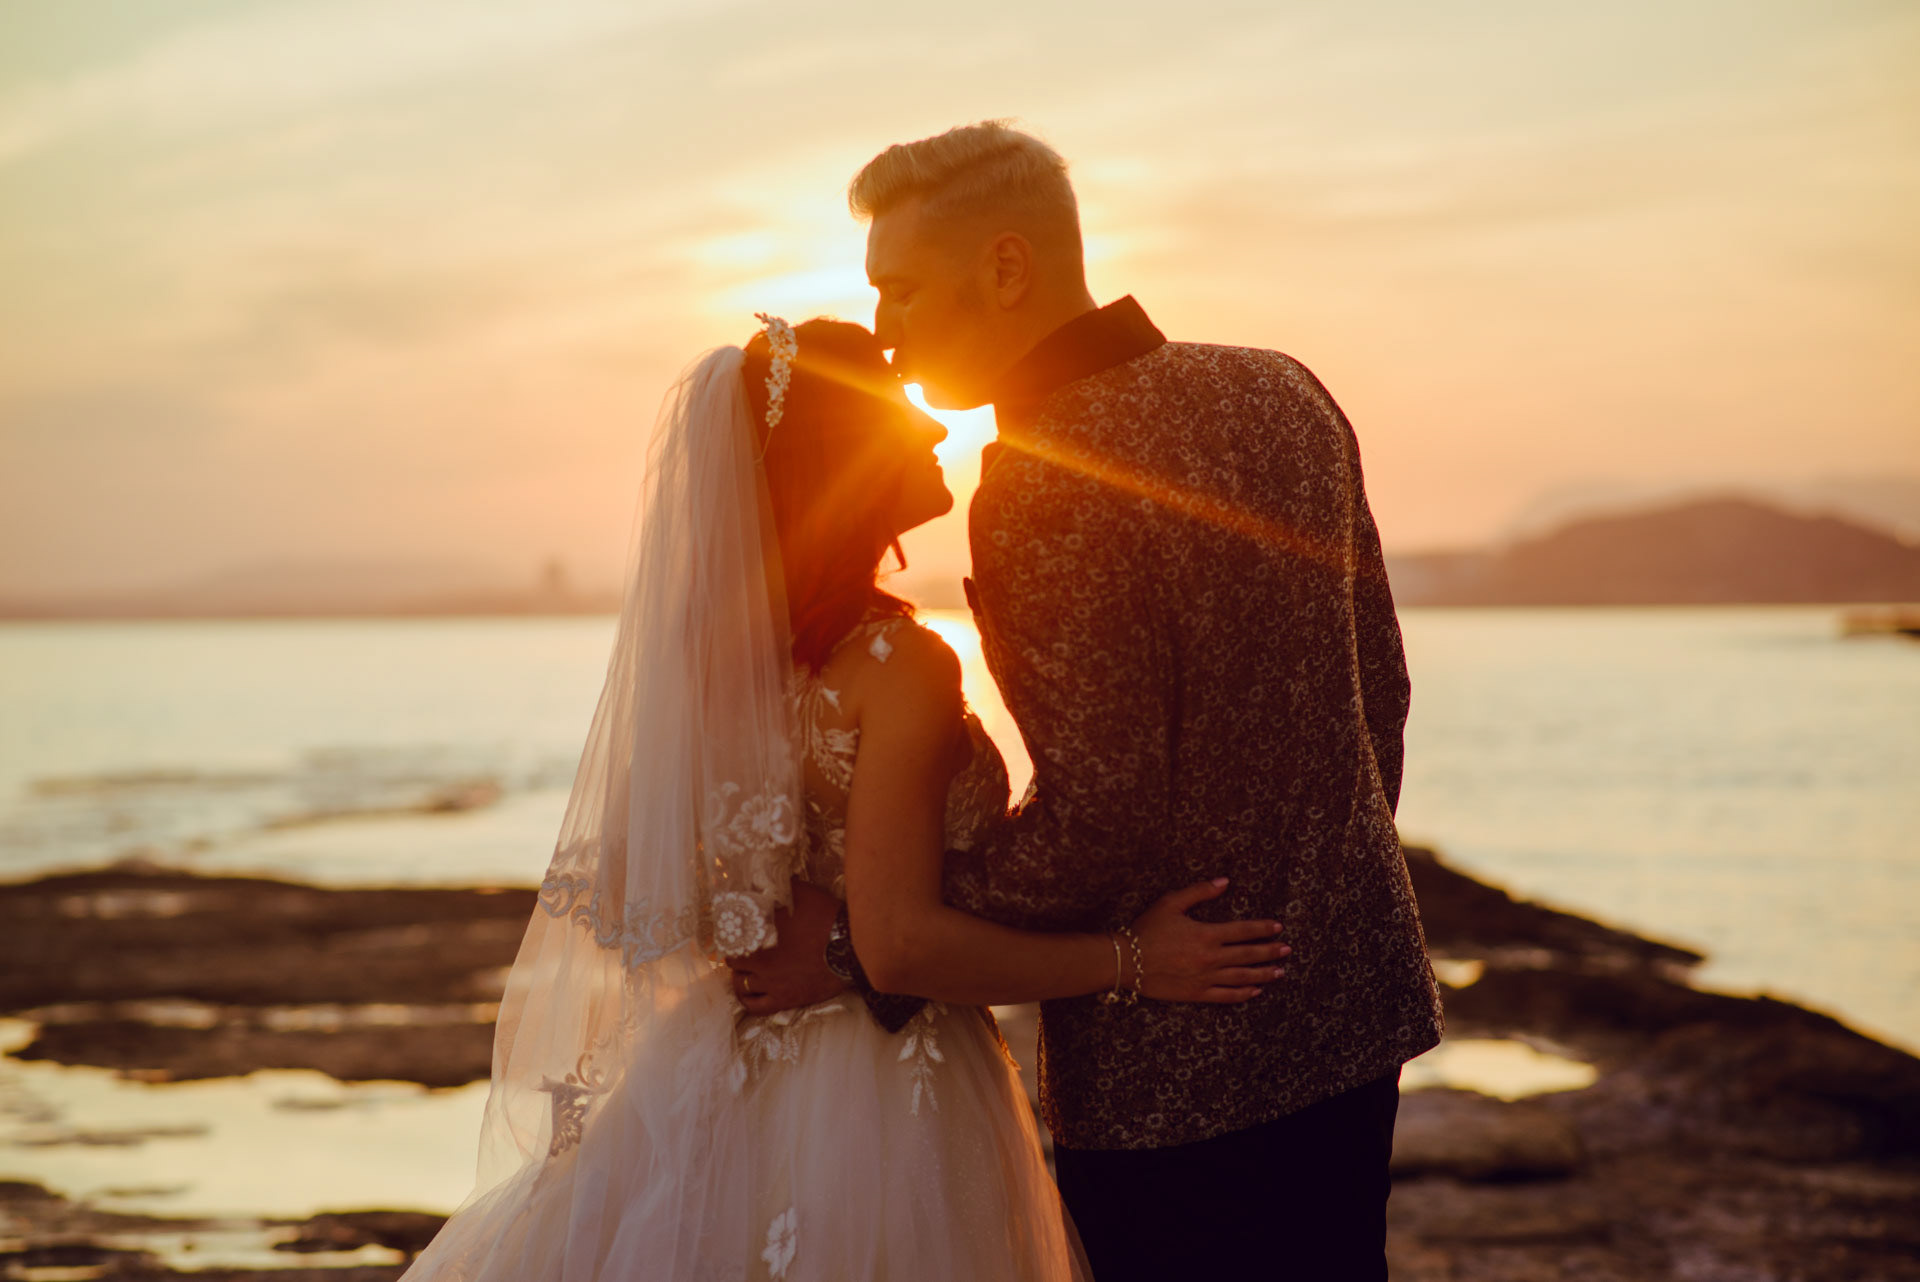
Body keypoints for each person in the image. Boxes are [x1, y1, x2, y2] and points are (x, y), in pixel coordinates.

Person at [397, 312, 1290, 1282]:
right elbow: (901, 947)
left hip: (715, 1074)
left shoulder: (710, 657)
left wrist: (789, 931)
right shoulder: (898, 664)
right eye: (902, 413)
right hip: (880, 1095)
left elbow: (642, 883)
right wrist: (1134, 961)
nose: (936, 427)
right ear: (845, 457)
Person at [731, 122, 1445, 1281]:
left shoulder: (1037, 483)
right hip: (1356, 1002)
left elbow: (1102, 813)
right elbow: (1383, 695)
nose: (886, 328)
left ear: (1006, 267)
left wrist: (877, 944)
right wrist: (1315, 896)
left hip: (1176, 1061)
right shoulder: (1283, 387)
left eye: (901, 288)